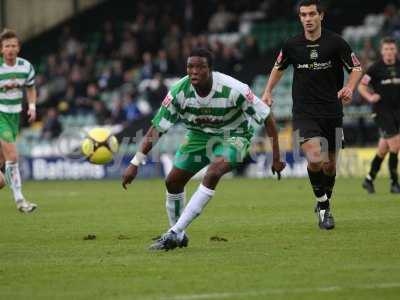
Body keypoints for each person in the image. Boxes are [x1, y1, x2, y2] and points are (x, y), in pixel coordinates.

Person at [122, 48, 285, 251]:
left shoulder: (234, 89)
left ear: (211, 70)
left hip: (233, 136)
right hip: (199, 137)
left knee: (213, 172)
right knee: (172, 181)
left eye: (200, 67)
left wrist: (277, 157)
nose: (194, 71)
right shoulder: (178, 92)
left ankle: (174, 233)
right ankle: (179, 235)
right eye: (190, 66)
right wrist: (135, 162)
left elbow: (267, 117)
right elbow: (157, 128)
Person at [262, 0, 362, 230]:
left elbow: (356, 68)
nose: (307, 19)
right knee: (315, 158)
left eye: (311, 14)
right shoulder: (291, 45)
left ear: (321, 15)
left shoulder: (336, 42)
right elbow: (278, 67)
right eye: (303, 15)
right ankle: (325, 210)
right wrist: (268, 91)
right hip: (304, 112)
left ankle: (324, 199)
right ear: (300, 18)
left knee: (330, 167)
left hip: (332, 112)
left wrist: (350, 87)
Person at [0, 29, 37, 213]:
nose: (10, 49)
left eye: (14, 45)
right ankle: (20, 200)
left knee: (0, 181)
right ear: (1, 49)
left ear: (19, 48)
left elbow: (31, 88)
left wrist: (32, 107)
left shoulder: (26, 67)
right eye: (7, 46)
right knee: (13, 157)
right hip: (0, 115)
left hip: (14, 117)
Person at [359, 37, 400, 194]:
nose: (389, 52)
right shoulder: (375, 68)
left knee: (383, 149)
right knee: (395, 145)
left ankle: (368, 180)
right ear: (382, 51)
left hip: (397, 112)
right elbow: (362, 86)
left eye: (392, 49)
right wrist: (370, 97)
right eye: (386, 49)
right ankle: (394, 183)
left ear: (395, 50)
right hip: (381, 112)